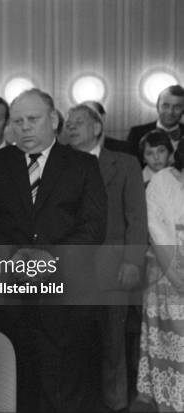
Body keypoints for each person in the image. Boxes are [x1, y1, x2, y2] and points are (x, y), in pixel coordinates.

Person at [0, 88, 107, 412]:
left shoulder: (82, 165)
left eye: (33, 119)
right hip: (9, 295)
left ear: (53, 119)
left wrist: (49, 255)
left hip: (66, 295)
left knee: (65, 384)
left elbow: (93, 226)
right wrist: (14, 254)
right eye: (17, 121)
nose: (24, 127)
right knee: (16, 382)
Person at [66, 104, 147, 412]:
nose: (71, 127)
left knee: (114, 340)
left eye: (79, 123)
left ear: (97, 128)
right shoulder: (59, 165)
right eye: (68, 123)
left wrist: (132, 262)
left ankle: (115, 404)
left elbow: (136, 218)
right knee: (75, 340)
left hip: (114, 267)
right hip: (71, 269)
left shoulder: (124, 163)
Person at [136, 140, 184, 411]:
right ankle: (171, 398)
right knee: (172, 339)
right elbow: (156, 228)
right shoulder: (162, 181)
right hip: (168, 267)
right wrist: (177, 274)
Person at [128, 85, 184, 165]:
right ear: (157, 106)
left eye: (177, 107)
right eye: (165, 106)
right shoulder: (137, 133)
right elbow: (130, 167)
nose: (170, 112)